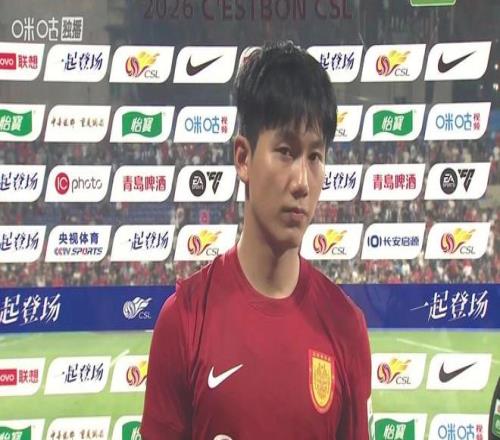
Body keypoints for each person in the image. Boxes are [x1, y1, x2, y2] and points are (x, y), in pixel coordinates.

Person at [141, 41, 372, 440]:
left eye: (315, 157)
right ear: (243, 158)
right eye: (285, 151)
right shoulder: (184, 321)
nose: (302, 182)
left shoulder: (346, 327)